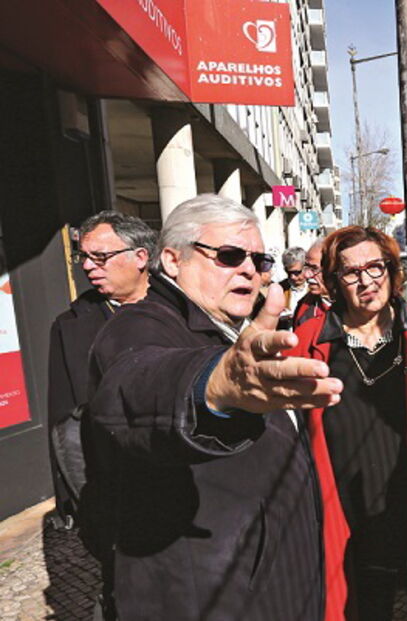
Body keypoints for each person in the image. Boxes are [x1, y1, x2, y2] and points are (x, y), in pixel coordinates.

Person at [83, 194, 343, 621]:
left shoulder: (234, 329)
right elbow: (135, 385)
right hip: (208, 597)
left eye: (258, 261)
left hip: (271, 583)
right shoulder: (139, 325)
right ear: (172, 260)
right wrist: (212, 387)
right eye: (228, 255)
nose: (248, 269)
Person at [289, 226, 407, 621]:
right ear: (334, 281)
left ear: (393, 272)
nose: (366, 281)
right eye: (350, 272)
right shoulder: (310, 339)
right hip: (349, 522)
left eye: (376, 267)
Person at [47, 210, 156, 528]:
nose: (87, 266)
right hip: (113, 492)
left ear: (140, 257)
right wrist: (75, 501)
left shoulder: (186, 310)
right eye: (84, 257)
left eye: (101, 256)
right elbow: (63, 419)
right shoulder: (70, 327)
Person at [293, 237, 331, 329]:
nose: (306, 275)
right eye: (306, 267)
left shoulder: (354, 308)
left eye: (314, 269)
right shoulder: (304, 306)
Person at [279, 245, 309, 318]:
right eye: (289, 273)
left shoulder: (315, 288)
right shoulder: (280, 289)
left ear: (306, 268)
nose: (293, 277)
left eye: (296, 272)